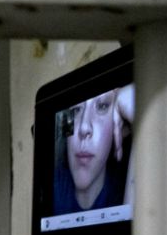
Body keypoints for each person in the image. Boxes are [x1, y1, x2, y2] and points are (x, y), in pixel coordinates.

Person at [53, 83, 135, 215]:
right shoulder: (52, 188)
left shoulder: (122, 187)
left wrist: (138, 118)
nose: (84, 128)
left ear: (119, 124)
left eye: (102, 106)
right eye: (76, 110)